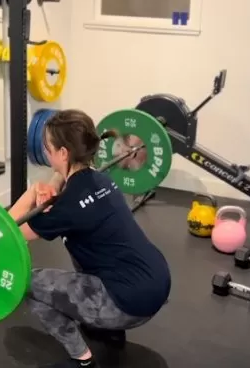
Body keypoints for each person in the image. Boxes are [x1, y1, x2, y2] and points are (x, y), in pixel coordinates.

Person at [9, 109, 171, 368]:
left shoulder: (68, 208)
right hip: (156, 281)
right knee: (84, 243)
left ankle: (82, 360)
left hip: (127, 304)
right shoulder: (101, 179)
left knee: (28, 283)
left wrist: (32, 191)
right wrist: (53, 183)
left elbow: (8, 233)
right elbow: (66, 181)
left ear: (63, 153)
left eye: (48, 147)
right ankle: (110, 331)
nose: (46, 152)